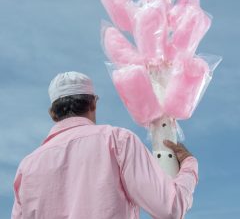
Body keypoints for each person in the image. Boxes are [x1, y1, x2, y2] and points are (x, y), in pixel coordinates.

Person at [11, 71, 198, 219]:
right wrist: (189, 165)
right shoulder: (118, 141)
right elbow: (169, 210)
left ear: (52, 114)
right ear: (93, 104)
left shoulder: (26, 167)